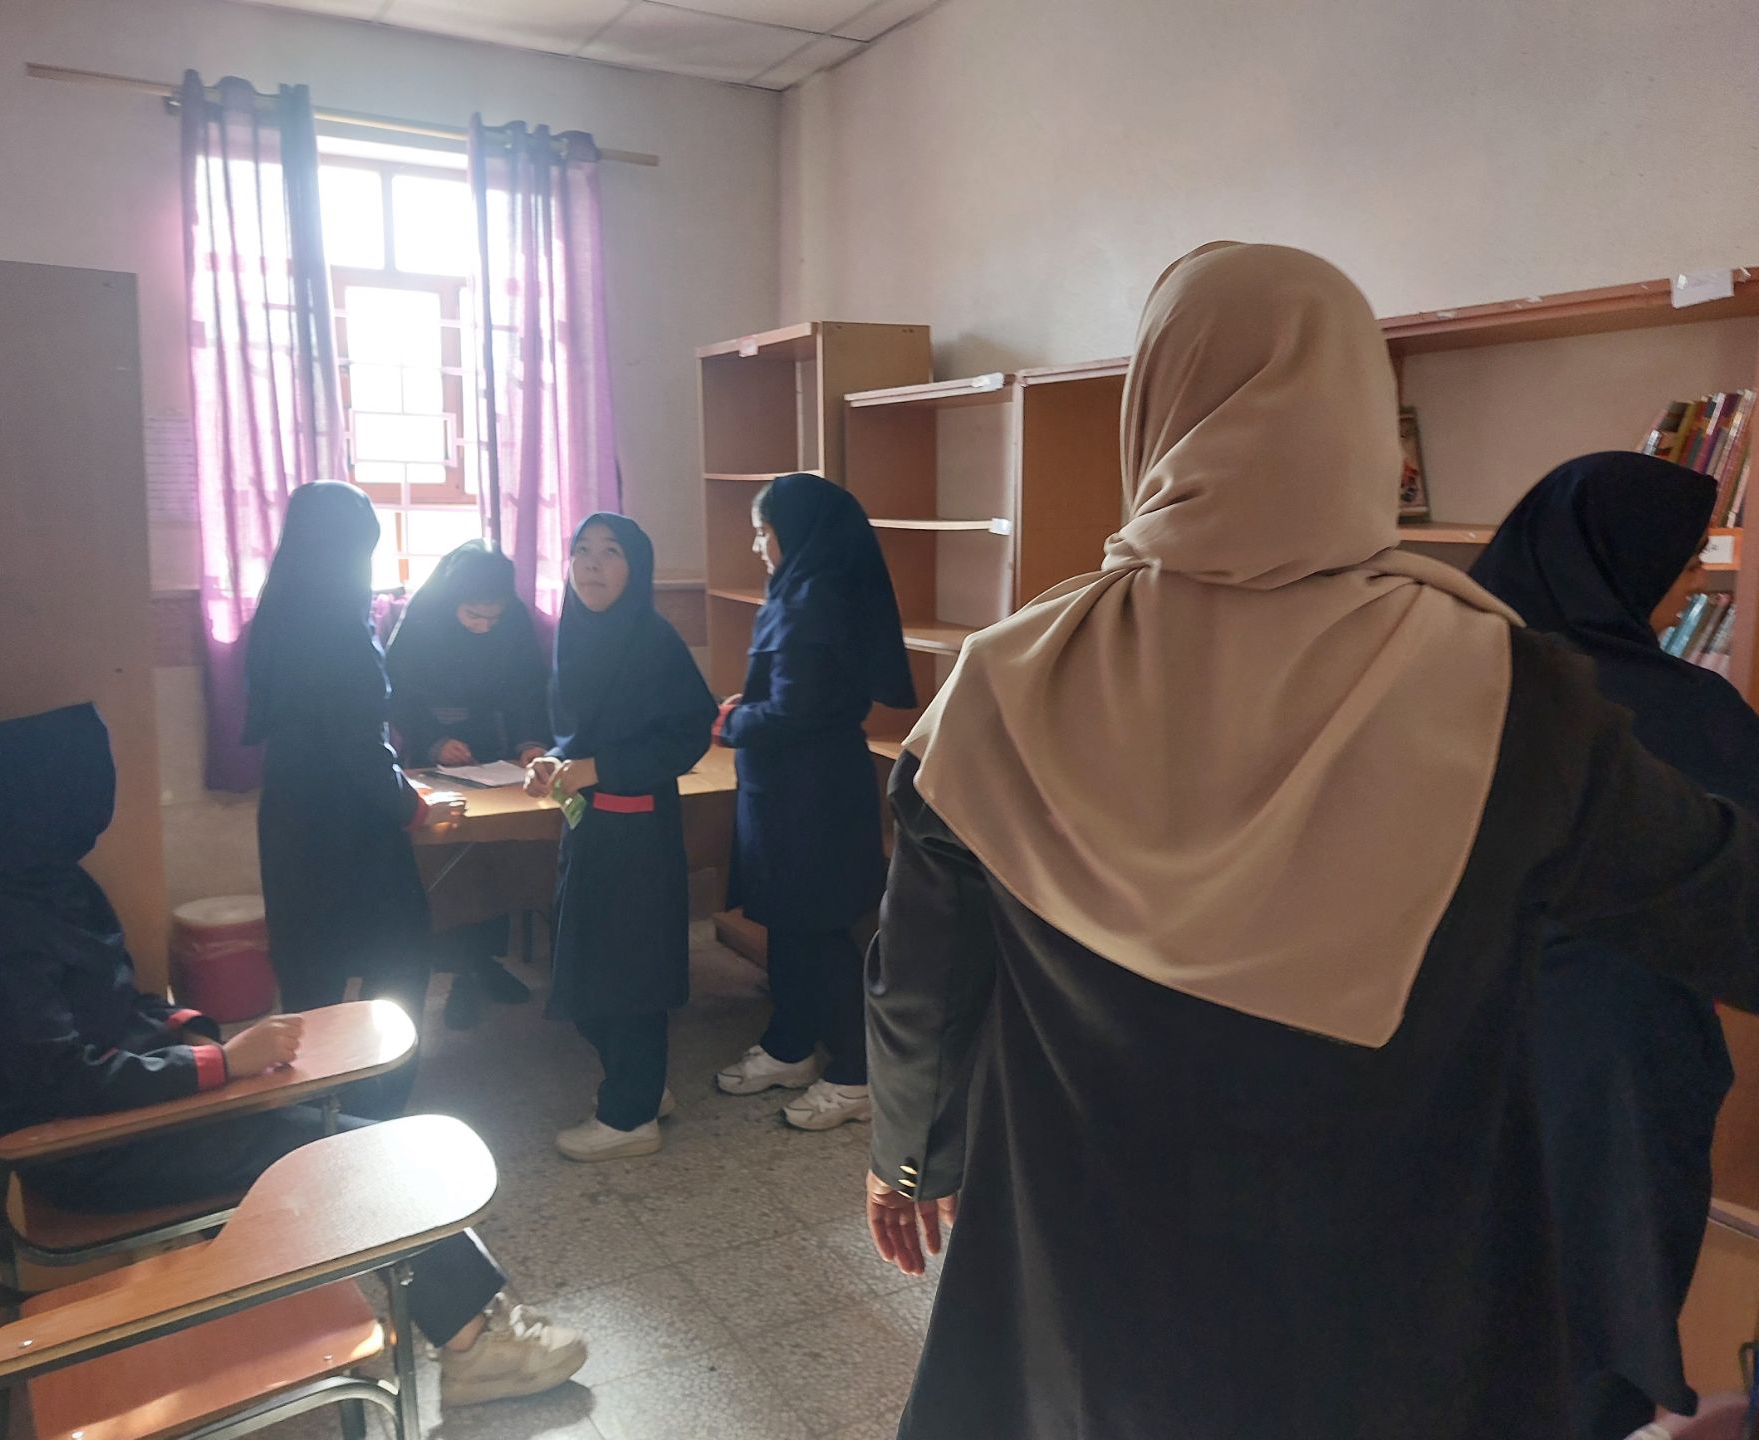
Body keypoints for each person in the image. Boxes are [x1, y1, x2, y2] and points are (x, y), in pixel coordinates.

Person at [862, 242, 1759, 1439]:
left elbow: (923, 980)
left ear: (1155, 410)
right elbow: (1726, 906)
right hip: (1394, 1314)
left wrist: (910, 1158)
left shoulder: (1003, 683)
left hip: (1085, 1285)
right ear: (1363, 418)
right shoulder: (1504, 694)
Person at [0, 703, 587, 1408]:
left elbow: (112, 1003)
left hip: (136, 1109)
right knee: (351, 1158)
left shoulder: (32, 885)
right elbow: (59, 1081)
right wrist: (219, 1067)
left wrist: (193, 1033)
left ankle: (474, 1316)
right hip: (95, 1150)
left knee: (350, 1134)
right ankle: (476, 1347)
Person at [1470, 453, 1759, 1440]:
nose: (1685, 586)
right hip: (1610, 1071)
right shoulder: (1675, 711)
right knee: (1591, 1325)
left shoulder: (1438, 674)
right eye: (1681, 562)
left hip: (1437, 1046)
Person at [245, 481, 461, 1118]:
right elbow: (359, 747)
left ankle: (312, 1117)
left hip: (290, 819)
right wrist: (415, 806)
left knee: (310, 977)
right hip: (350, 830)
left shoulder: (279, 609)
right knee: (400, 965)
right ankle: (376, 1113)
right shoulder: (338, 629)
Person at [712, 472, 914, 1130]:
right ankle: (791, 1046)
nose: (757, 546)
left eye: (763, 532)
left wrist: (733, 722)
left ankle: (856, 1074)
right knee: (789, 926)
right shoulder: (803, 590)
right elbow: (794, 693)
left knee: (819, 934)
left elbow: (796, 712)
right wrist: (751, 706)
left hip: (810, 797)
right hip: (788, 792)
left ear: (795, 533)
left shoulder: (817, 600)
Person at [525, 514, 716, 1161]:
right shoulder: (576, 633)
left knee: (627, 971)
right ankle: (643, 1086)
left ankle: (630, 1117)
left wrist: (597, 768)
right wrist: (555, 762)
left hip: (636, 829)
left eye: (610, 553)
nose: (592, 564)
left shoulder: (652, 640)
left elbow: (687, 733)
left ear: (636, 568)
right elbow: (579, 734)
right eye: (582, 550)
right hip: (588, 824)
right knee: (584, 965)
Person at [386, 541, 551, 1023]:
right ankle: (459, 971)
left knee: (496, 853)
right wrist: (434, 741)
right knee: (450, 856)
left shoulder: (513, 621)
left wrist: (530, 744)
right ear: (452, 602)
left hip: (497, 752)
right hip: (434, 753)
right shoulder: (423, 618)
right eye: (473, 615)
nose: (484, 626)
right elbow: (397, 692)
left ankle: (485, 962)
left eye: (493, 618)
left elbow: (529, 687)